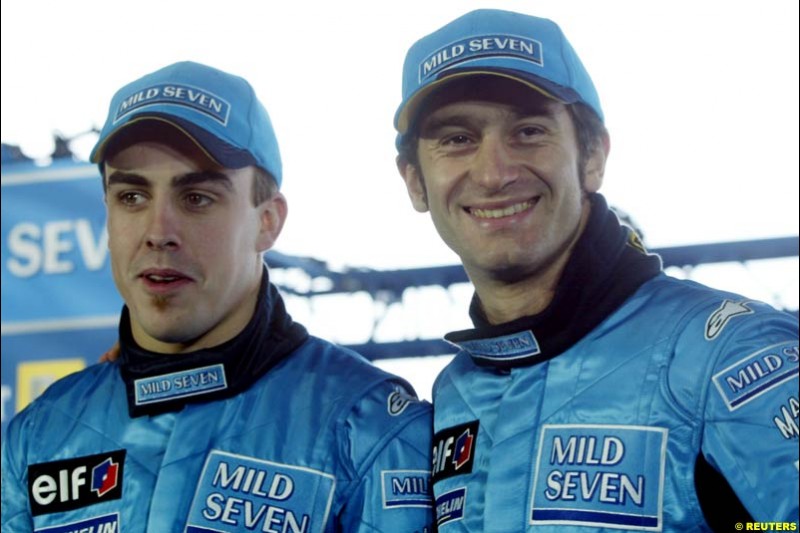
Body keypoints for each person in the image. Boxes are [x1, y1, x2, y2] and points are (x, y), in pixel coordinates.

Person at [394, 9, 798, 531]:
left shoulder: (735, 356)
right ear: (415, 182)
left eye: (529, 130)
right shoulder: (454, 394)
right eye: (456, 138)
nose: (494, 174)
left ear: (593, 157)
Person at [1, 61, 433, 532]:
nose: (158, 233)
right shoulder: (40, 434)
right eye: (132, 197)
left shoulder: (366, 427)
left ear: (268, 221)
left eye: (197, 198)